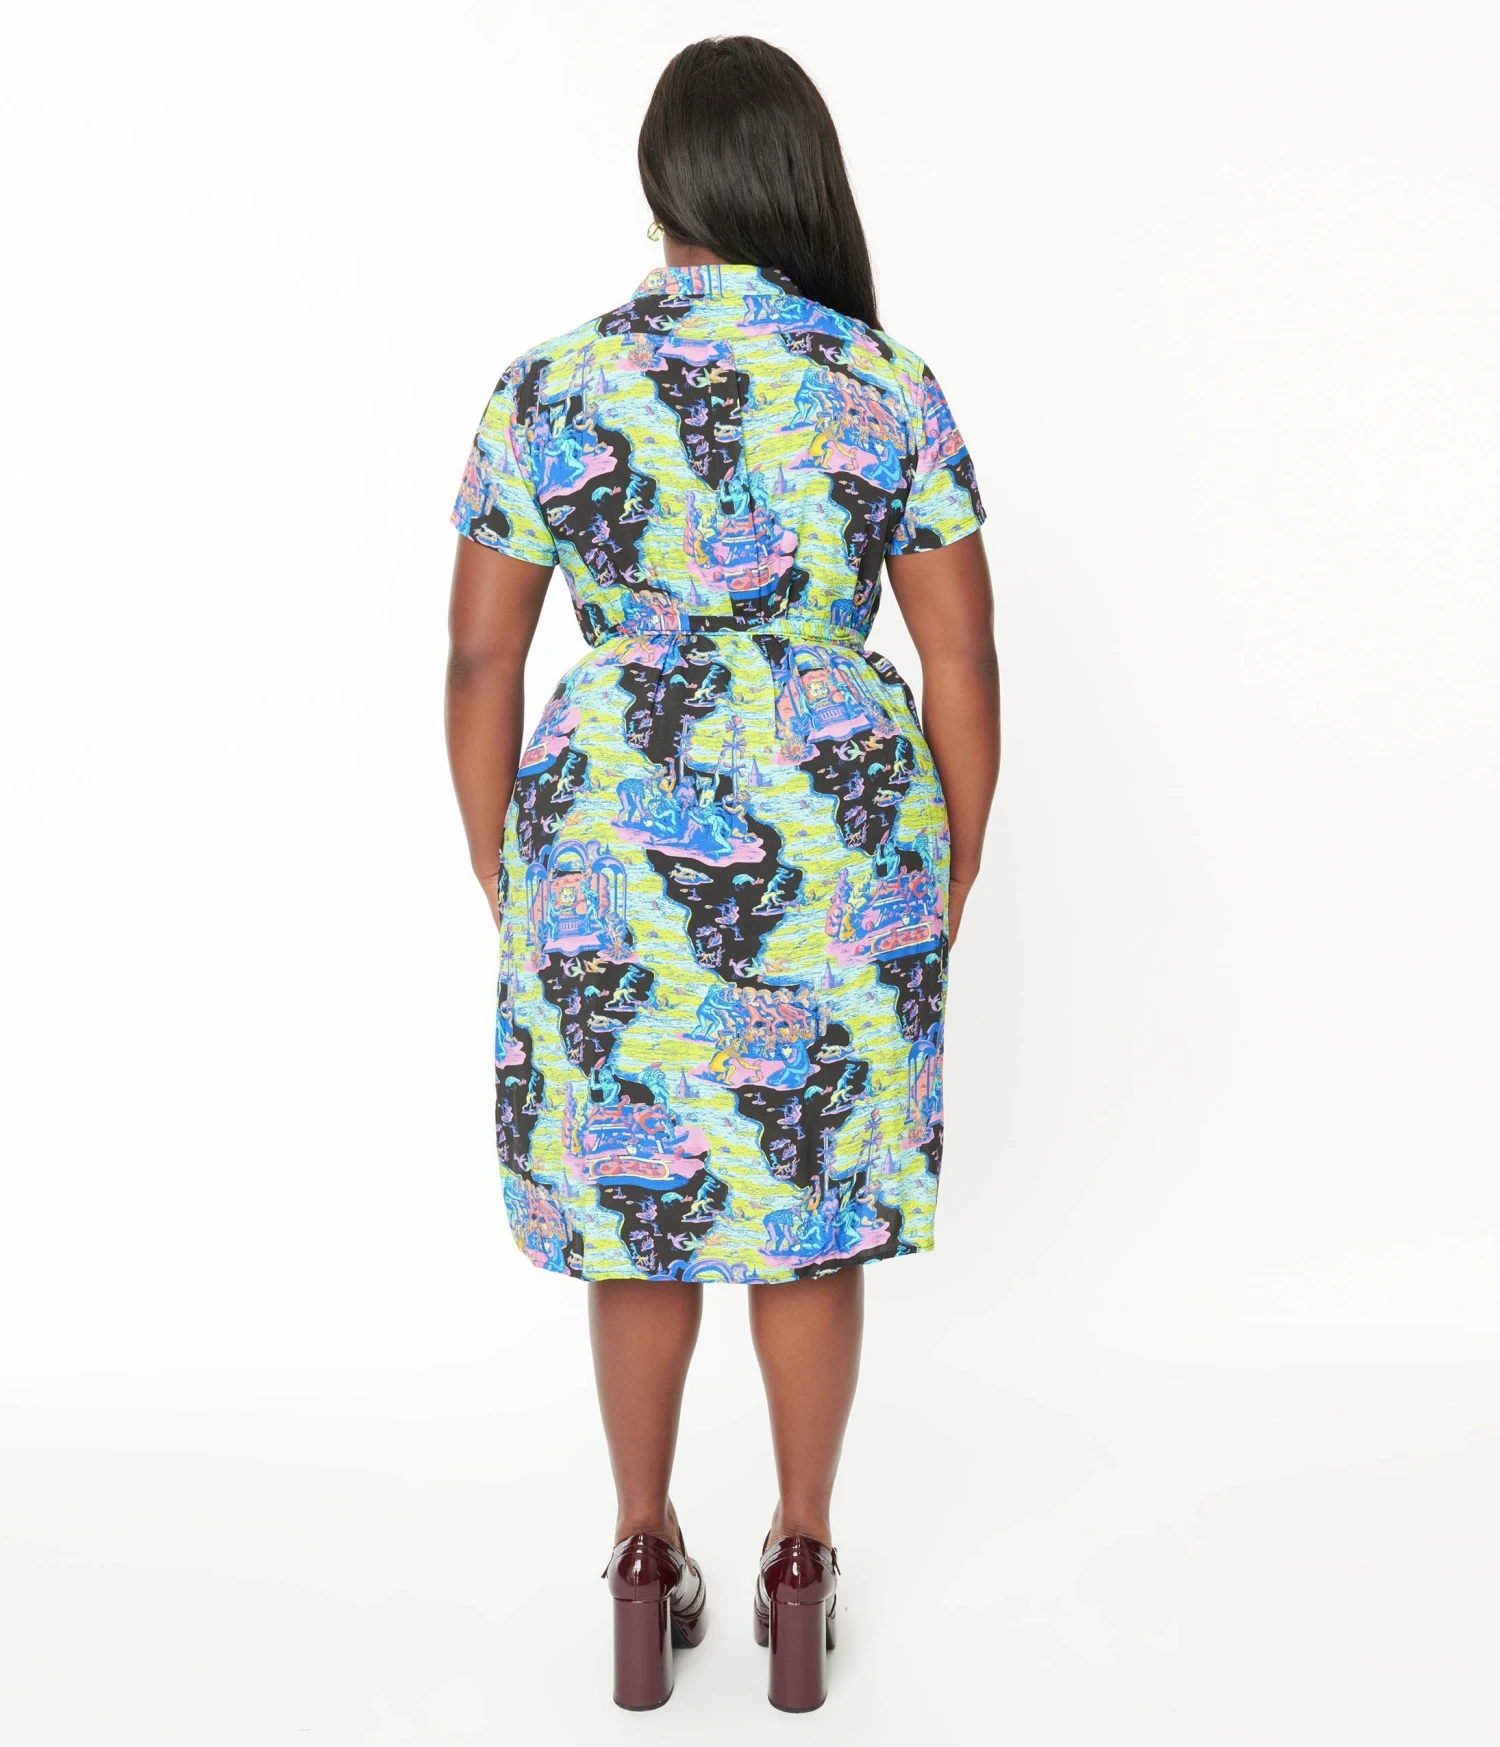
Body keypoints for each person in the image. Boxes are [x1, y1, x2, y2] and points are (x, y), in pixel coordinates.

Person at [444, 34, 1000, 1714]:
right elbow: (962, 658)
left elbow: (482, 659)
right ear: (799, 181)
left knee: (645, 1210)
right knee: (805, 1217)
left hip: (606, 835)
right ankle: (802, 1553)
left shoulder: (552, 387)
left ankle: (639, 1547)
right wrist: (945, 875)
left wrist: (509, 869)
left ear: (661, 187)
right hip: (841, 842)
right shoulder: (885, 385)